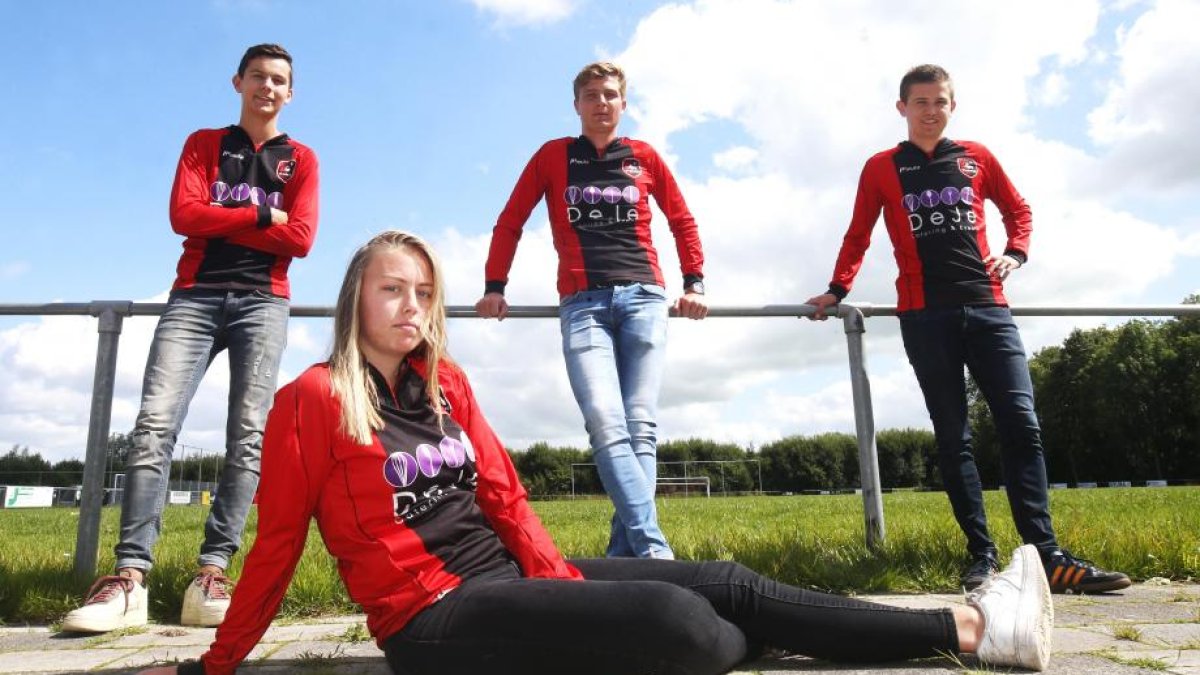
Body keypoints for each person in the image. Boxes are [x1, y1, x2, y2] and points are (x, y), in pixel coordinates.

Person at [138, 230, 1052, 675]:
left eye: (423, 291)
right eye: (391, 289)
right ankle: (799, 633)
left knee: (726, 581)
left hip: (505, 575)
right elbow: (276, 544)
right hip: (432, 620)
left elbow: (505, 498)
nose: (411, 305)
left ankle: (974, 628)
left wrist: (568, 585)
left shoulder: (447, 382)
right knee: (683, 621)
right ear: (355, 301)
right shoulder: (312, 399)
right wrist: (215, 667)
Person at [805, 64, 1129, 594]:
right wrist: (836, 290)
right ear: (902, 108)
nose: (931, 111)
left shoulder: (977, 157)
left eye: (940, 102)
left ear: (952, 106)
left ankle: (1047, 557)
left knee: (1022, 425)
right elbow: (858, 233)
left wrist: (1016, 253)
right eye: (921, 102)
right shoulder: (882, 167)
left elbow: (1018, 209)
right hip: (924, 316)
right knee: (954, 437)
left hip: (988, 309)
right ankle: (982, 556)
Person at [62, 43, 319, 632]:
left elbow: (302, 238)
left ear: (291, 93)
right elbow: (184, 215)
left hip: (264, 302)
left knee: (248, 437)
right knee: (154, 427)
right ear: (238, 82)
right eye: (258, 76)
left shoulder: (301, 159)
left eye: (278, 80)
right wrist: (263, 216)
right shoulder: (204, 144)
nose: (268, 87)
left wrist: (225, 220)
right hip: (195, 296)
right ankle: (130, 579)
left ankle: (211, 573)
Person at [475, 61, 708, 560]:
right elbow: (511, 220)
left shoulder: (645, 156)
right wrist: (495, 285)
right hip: (583, 304)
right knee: (605, 419)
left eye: (610, 94)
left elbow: (682, 220)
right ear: (576, 104)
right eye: (591, 95)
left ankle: (626, 556)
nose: (602, 103)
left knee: (641, 426)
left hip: (645, 297)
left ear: (623, 103)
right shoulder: (553, 156)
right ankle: (653, 551)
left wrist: (695, 282)